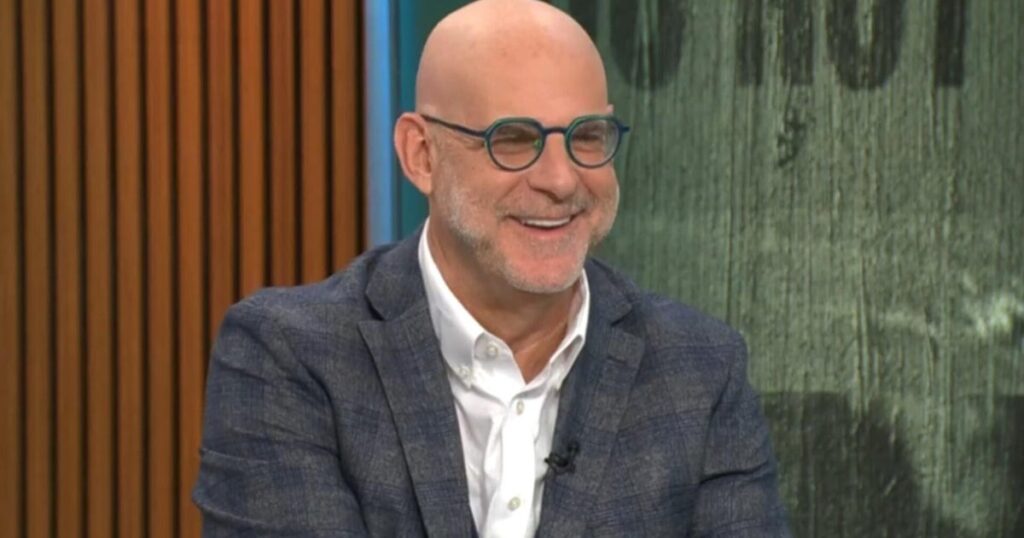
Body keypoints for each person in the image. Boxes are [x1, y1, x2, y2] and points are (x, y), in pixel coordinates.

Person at [192, 0, 790, 536]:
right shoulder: (291, 357)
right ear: (421, 156)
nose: (561, 180)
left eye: (586, 136)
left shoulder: (700, 368)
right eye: (514, 139)